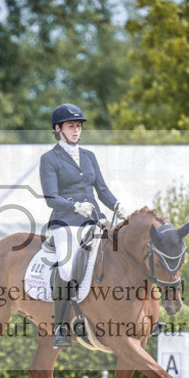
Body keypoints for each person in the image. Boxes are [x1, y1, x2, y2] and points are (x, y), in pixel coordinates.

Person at [39, 103, 124, 348]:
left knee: (122, 255)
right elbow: (50, 197)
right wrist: (74, 206)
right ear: (58, 129)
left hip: (95, 220)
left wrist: (116, 205)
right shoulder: (49, 159)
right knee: (67, 270)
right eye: (71, 126)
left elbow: (102, 190)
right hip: (66, 224)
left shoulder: (89, 156)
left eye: (78, 126)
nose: (76, 130)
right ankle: (59, 329)